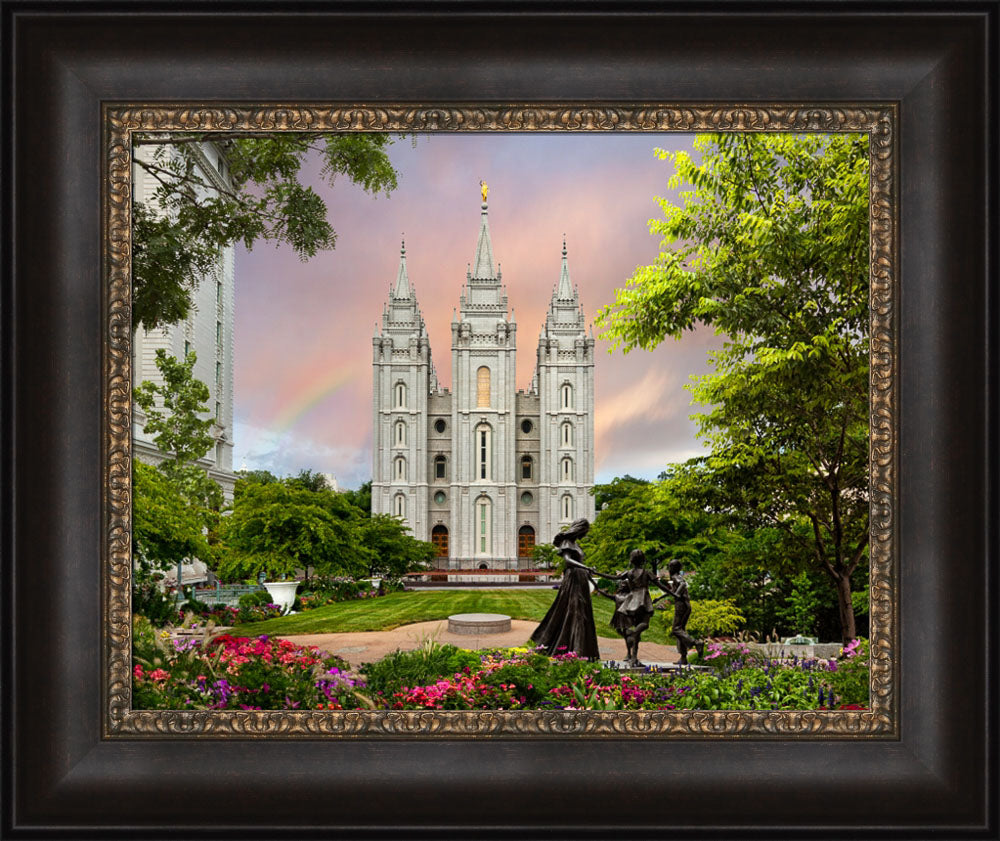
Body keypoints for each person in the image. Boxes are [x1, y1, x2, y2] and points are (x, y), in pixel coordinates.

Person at [530, 518, 600, 661]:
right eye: (585, 531)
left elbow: (578, 562)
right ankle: (574, 650)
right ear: (579, 529)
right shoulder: (567, 542)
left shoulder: (576, 544)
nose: (585, 534)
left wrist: (587, 571)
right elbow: (567, 561)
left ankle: (582, 649)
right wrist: (584, 567)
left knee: (582, 612)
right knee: (575, 611)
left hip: (580, 580)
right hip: (573, 580)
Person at [594, 549, 657, 667]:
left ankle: (634, 657)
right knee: (644, 624)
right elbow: (660, 585)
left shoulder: (629, 573)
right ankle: (634, 636)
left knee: (639, 627)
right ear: (643, 559)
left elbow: (613, 577)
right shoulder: (646, 572)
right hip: (643, 599)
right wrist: (672, 593)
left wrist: (596, 573)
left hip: (632, 600)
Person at [656, 558, 705, 665]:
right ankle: (683, 657)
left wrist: (677, 594)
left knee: (676, 629)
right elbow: (672, 591)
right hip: (686, 605)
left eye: (670, 566)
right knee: (681, 631)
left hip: (681, 605)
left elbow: (682, 584)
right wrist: (659, 598)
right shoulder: (677, 577)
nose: (669, 568)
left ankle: (696, 643)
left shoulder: (675, 577)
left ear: (674, 568)